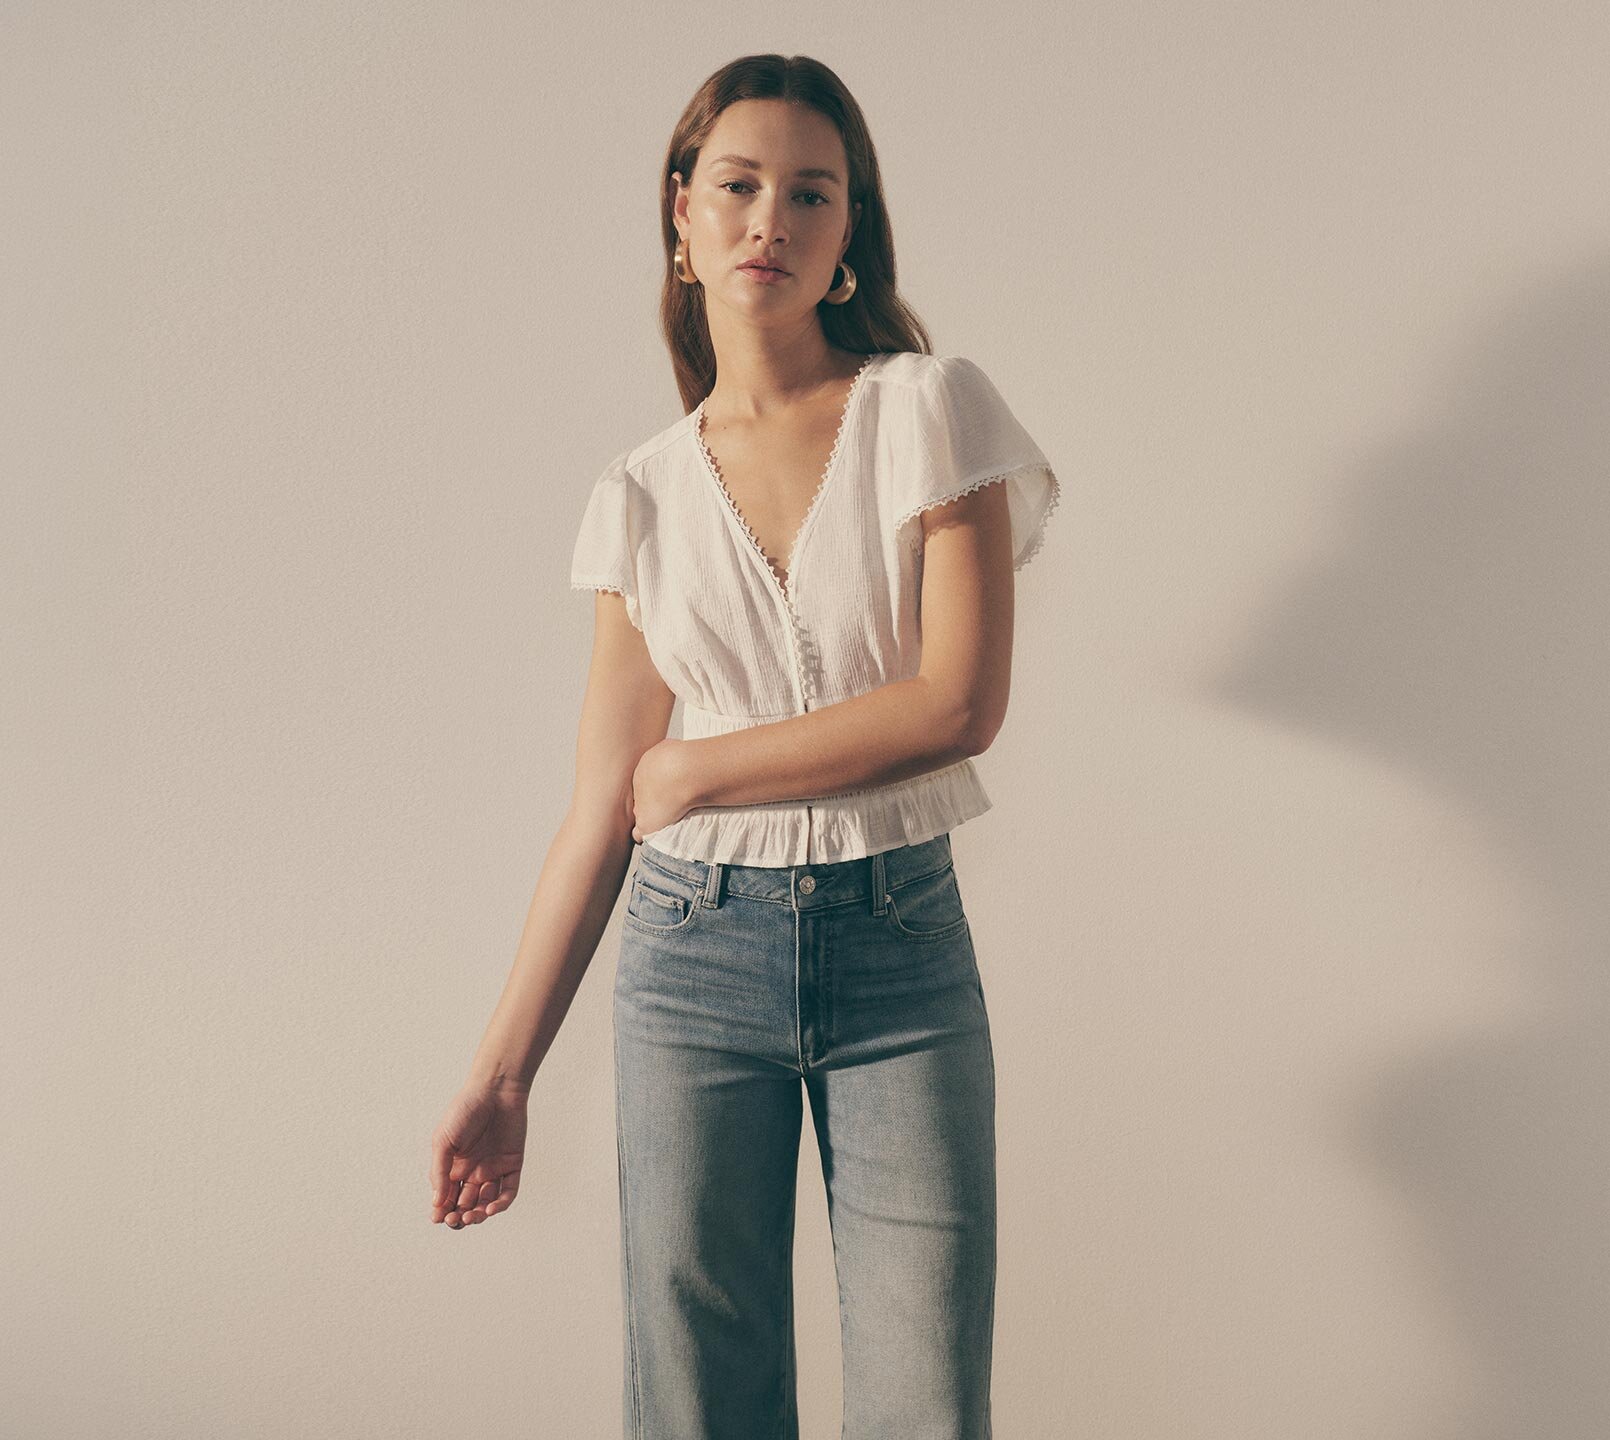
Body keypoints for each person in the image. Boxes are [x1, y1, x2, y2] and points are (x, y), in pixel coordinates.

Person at [429, 53, 1060, 1440]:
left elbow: (957, 705)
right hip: (688, 954)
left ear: (847, 241)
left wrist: (699, 768)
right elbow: (602, 805)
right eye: (738, 184)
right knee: (697, 1396)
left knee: (923, 1391)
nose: (768, 216)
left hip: (898, 942)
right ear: (681, 216)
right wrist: (503, 1069)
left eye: (809, 194)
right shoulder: (639, 496)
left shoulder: (925, 410)